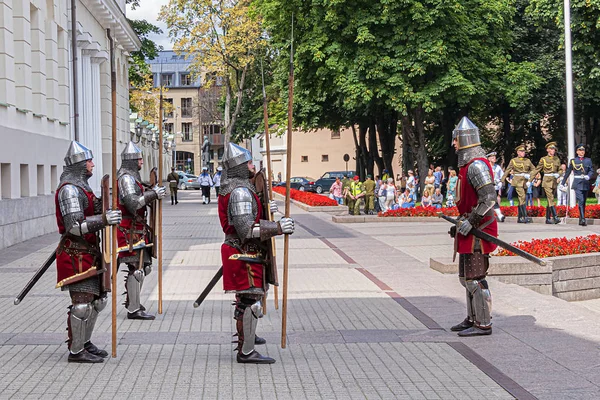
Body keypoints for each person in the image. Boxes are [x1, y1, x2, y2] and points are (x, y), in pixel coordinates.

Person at [218, 142, 294, 364]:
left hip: (244, 252)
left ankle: (247, 339)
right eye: (249, 162)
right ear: (240, 166)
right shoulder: (239, 191)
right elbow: (246, 230)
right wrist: (278, 228)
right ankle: (246, 351)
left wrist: (265, 211)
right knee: (250, 301)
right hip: (243, 251)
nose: (253, 166)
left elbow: (249, 219)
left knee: (249, 298)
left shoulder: (238, 188)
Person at [55, 141, 122, 363]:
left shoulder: (83, 187)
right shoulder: (69, 190)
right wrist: (103, 219)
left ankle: (85, 341)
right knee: (81, 303)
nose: (93, 164)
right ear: (80, 164)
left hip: (90, 253)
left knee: (97, 301)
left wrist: (107, 205)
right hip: (75, 255)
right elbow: (74, 227)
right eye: (90, 161)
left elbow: (94, 210)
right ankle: (75, 351)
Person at [449, 116, 497, 337]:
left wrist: (472, 221)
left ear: (465, 139)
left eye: (456, 139)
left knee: (476, 279)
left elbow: (488, 198)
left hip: (479, 228)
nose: (454, 144)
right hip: (469, 226)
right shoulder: (467, 165)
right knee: (465, 278)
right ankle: (472, 317)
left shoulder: (477, 165)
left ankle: (483, 323)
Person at [116, 142, 166, 321]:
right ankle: (133, 309)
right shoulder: (126, 178)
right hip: (128, 231)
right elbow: (134, 203)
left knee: (144, 267)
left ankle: (133, 302)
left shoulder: (132, 177)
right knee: (136, 268)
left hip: (137, 229)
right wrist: (153, 194)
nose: (141, 161)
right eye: (138, 158)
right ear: (130, 160)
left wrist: (152, 191)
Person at [560, 143, 594, 226]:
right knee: (581, 200)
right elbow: (568, 172)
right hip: (577, 182)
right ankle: (582, 219)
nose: (582, 152)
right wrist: (563, 183)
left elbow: (591, 170)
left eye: (583, 150)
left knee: (583, 201)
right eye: (580, 150)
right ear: (577, 152)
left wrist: (588, 176)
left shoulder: (588, 160)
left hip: (585, 182)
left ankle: (580, 218)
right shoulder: (573, 161)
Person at [501, 145, 535, 223]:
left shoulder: (528, 161)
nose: (523, 153)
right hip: (517, 181)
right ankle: (525, 216)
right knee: (522, 197)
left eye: (524, 151)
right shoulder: (513, 161)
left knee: (522, 199)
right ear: (518, 152)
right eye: (522, 151)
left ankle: (519, 218)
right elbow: (507, 170)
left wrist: (530, 177)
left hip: (525, 182)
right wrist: (502, 180)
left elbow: (534, 170)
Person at [530, 141, 561, 223]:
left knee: (550, 199)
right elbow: (537, 169)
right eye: (551, 149)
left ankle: (547, 218)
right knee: (550, 198)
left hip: (554, 181)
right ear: (547, 150)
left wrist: (558, 174)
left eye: (554, 149)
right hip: (547, 181)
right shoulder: (543, 159)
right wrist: (530, 180)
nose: (553, 150)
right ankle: (555, 217)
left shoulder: (557, 159)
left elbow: (560, 169)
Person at [486, 152, 505, 222]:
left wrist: (501, 182)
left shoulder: (498, 167)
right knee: (491, 201)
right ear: (489, 159)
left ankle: (499, 215)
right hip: (488, 186)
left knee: (493, 201)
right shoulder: (486, 167)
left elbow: (502, 176)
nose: (494, 158)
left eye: (494, 157)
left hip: (496, 186)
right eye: (492, 157)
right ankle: (499, 215)